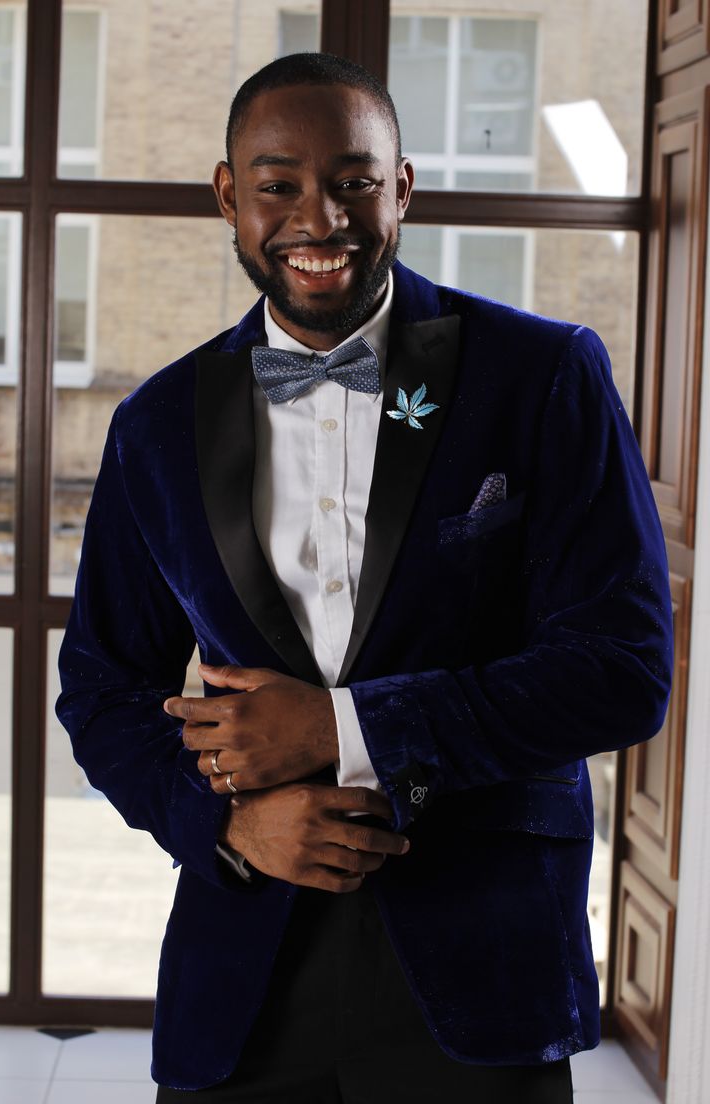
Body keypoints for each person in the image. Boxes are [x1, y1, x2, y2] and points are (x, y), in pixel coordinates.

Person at [56, 52, 673, 1104]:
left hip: (482, 956)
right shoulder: (154, 424)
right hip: (244, 959)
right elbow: (102, 689)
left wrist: (342, 730)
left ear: (402, 189)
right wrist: (227, 827)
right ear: (227, 197)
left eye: (352, 180)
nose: (319, 216)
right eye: (278, 184)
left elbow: (621, 669)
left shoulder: (542, 376)